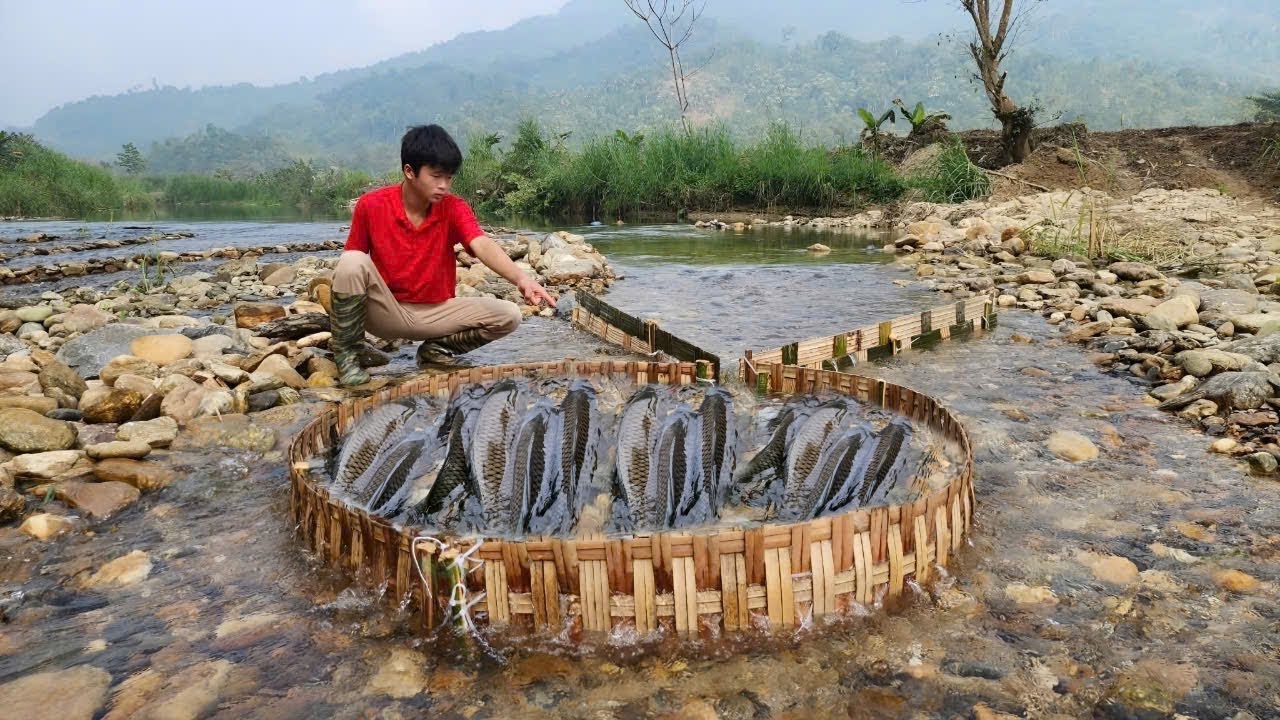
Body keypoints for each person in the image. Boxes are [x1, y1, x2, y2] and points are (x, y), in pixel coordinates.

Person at [329, 124, 556, 386]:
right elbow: (351, 270)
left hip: (436, 313)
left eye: (449, 178)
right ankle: (347, 356)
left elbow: (480, 243)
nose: (444, 186)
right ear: (409, 171)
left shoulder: (452, 208)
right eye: (436, 176)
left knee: (509, 315)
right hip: (386, 313)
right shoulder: (372, 205)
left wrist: (522, 279)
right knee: (352, 260)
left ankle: (435, 352)